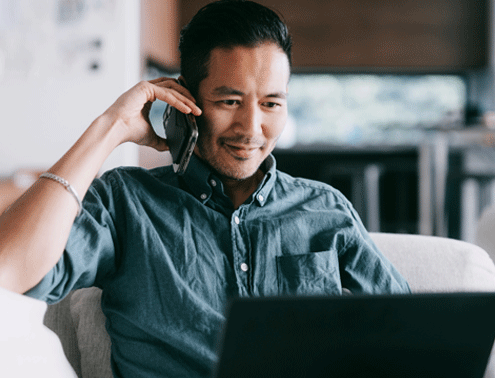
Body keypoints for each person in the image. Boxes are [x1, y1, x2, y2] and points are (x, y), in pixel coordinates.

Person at [0, 1, 410, 376]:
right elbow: (8, 274)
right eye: (230, 101)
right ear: (183, 100)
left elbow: (412, 335)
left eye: (271, 104)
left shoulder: (325, 208)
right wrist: (111, 128)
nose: (252, 129)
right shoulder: (125, 202)